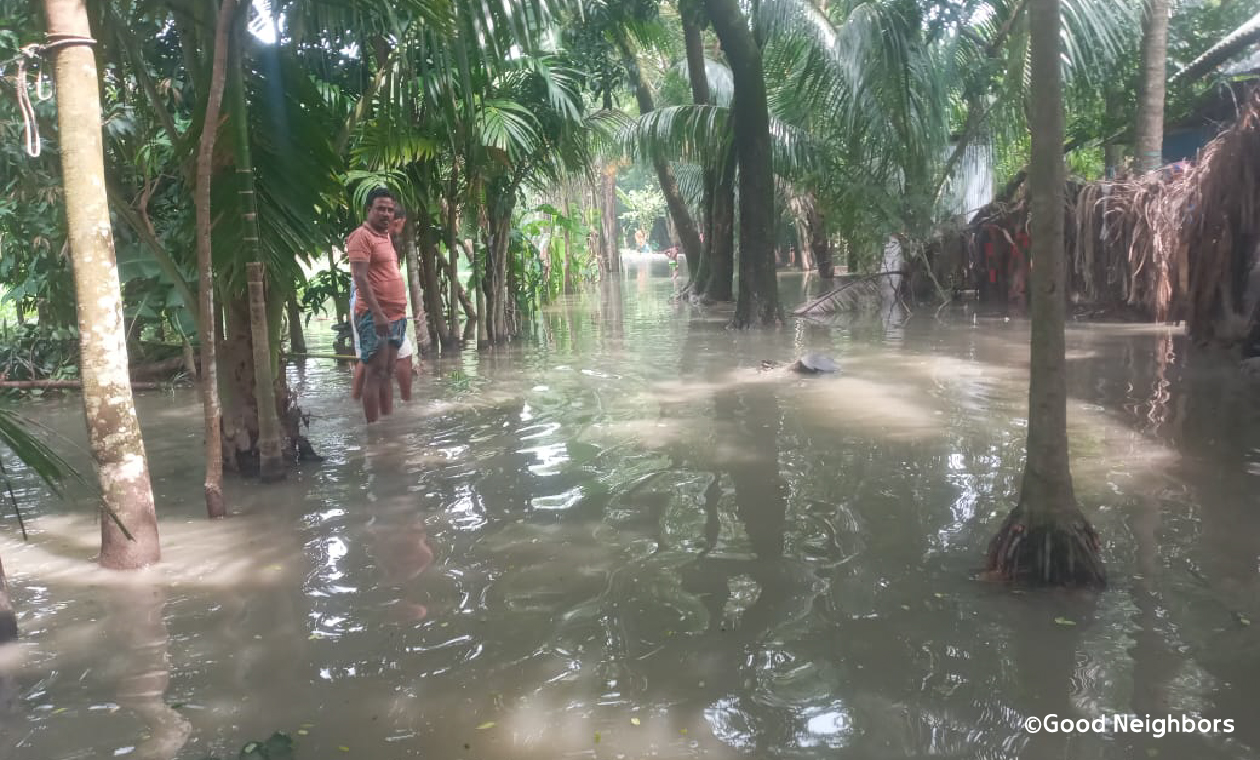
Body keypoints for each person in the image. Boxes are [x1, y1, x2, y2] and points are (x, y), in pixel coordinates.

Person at [347, 188, 408, 423]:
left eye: (390, 209)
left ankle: (387, 424)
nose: (386, 213)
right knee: (374, 373)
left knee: (387, 373)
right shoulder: (361, 236)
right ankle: (373, 430)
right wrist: (377, 313)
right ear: (369, 210)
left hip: (396, 315)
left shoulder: (385, 236)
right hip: (376, 316)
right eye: (380, 208)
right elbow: (360, 277)